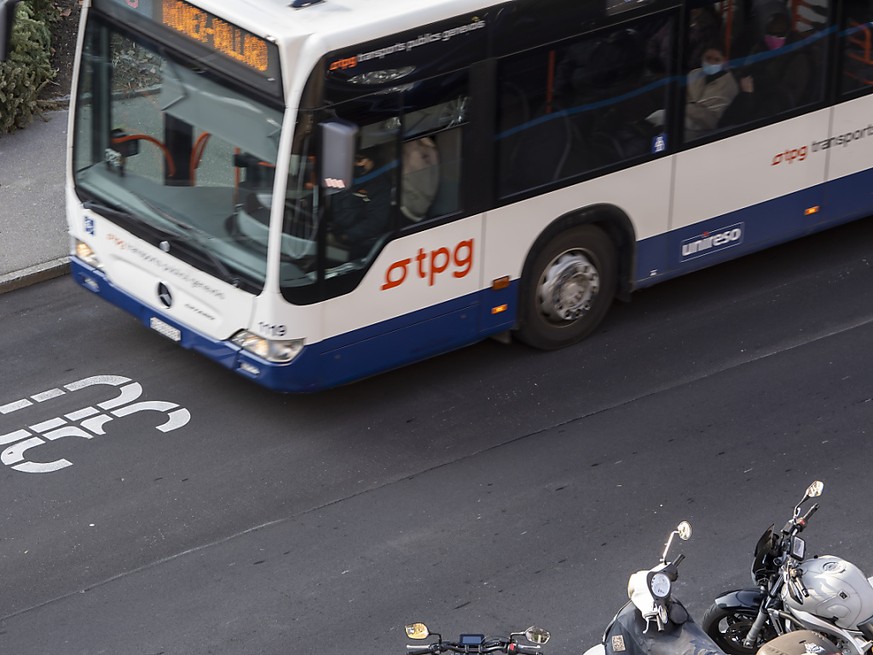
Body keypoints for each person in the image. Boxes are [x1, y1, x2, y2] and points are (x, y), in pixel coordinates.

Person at [718, 3, 814, 126]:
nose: (773, 38)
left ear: (788, 33)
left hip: (769, 111)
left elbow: (784, 100)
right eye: (770, 33)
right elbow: (746, 69)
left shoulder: (799, 60)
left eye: (779, 34)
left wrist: (750, 95)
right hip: (749, 95)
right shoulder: (762, 46)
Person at [330, 147, 394, 258]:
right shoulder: (345, 176)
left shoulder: (380, 185)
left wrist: (344, 237)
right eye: (354, 160)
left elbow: (375, 221)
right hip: (335, 232)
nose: (356, 164)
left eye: (360, 160)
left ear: (371, 160)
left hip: (359, 243)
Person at [684, 43, 739, 140]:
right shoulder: (694, 74)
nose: (711, 63)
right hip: (683, 123)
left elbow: (712, 119)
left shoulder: (730, 85)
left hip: (706, 132)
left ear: (724, 61)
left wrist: (688, 108)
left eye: (717, 60)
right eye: (708, 58)